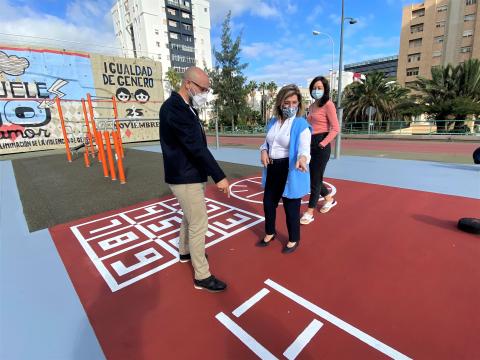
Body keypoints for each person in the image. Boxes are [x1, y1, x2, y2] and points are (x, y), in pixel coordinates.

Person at [159, 66, 230, 292]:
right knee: (199, 223)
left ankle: (185, 252)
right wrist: (219, 176)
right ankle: (202, 275)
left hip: (190, 174)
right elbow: (196, 147)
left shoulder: (187, 107)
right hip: (185, 176)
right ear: (188, 83)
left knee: (190, 218)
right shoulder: (175, 109)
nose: (204, 94)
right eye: (202, 89)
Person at [257, 84, 311, 253]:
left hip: (290, 169)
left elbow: (304, 147)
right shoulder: (273, 122)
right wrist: (263, 150)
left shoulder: (300, 123)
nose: (291, 106)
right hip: (272, 167)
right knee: (268, 203)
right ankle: (270, 232)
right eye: (287, 102)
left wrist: (303, 158)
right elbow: (267, 142)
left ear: (299, 103)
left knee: (291, 208)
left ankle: (294, 239)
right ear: (280, 103)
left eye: (294, 102)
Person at [300, 76, 340, 225]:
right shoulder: (312, 106)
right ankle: (329, 199)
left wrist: (323, 143)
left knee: (315, 180)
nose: (316, 90)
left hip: (321, 145)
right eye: (314, 88)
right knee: (312, 178)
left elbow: (336, 128)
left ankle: (309, 212)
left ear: (325, 89)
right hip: (309, 144)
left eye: (319, 88)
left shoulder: (328, 105)